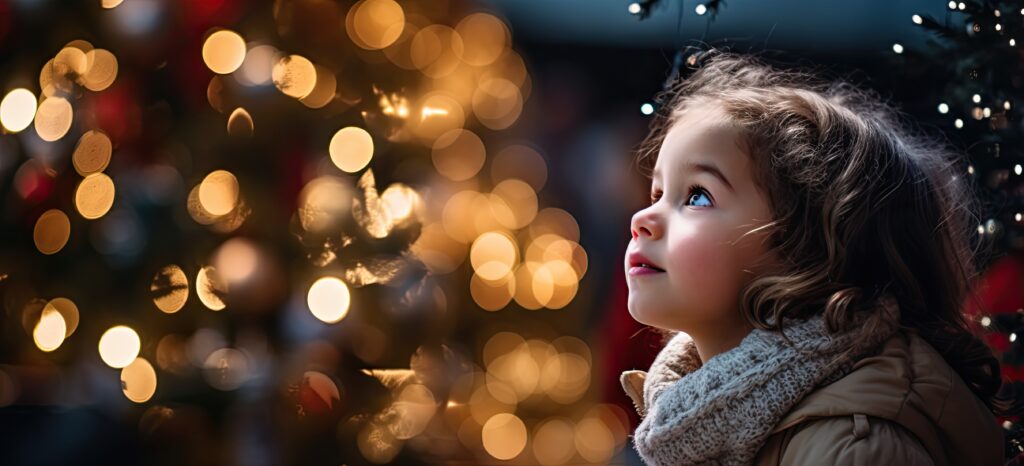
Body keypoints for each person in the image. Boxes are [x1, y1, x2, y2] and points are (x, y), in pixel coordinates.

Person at [618, 49, 1015, 465]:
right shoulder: (695, 420)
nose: (644, 217)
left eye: (697, 195)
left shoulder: (856, 450)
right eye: (657, 193)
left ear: (808, 249)